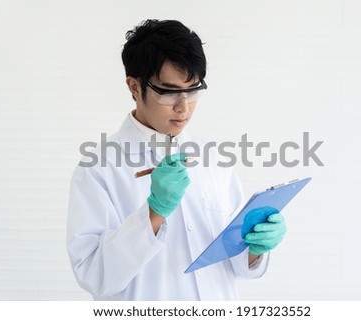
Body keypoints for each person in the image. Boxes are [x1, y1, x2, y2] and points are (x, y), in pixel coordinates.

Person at [66, 19, 287, 300]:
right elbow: (95, 275)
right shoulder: (98, 168)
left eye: (193, 90)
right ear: (134, 87)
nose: (184, 107)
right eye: (169, 92)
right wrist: (154, 213)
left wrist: (255, 247)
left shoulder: (213, 157)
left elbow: (237, 263)